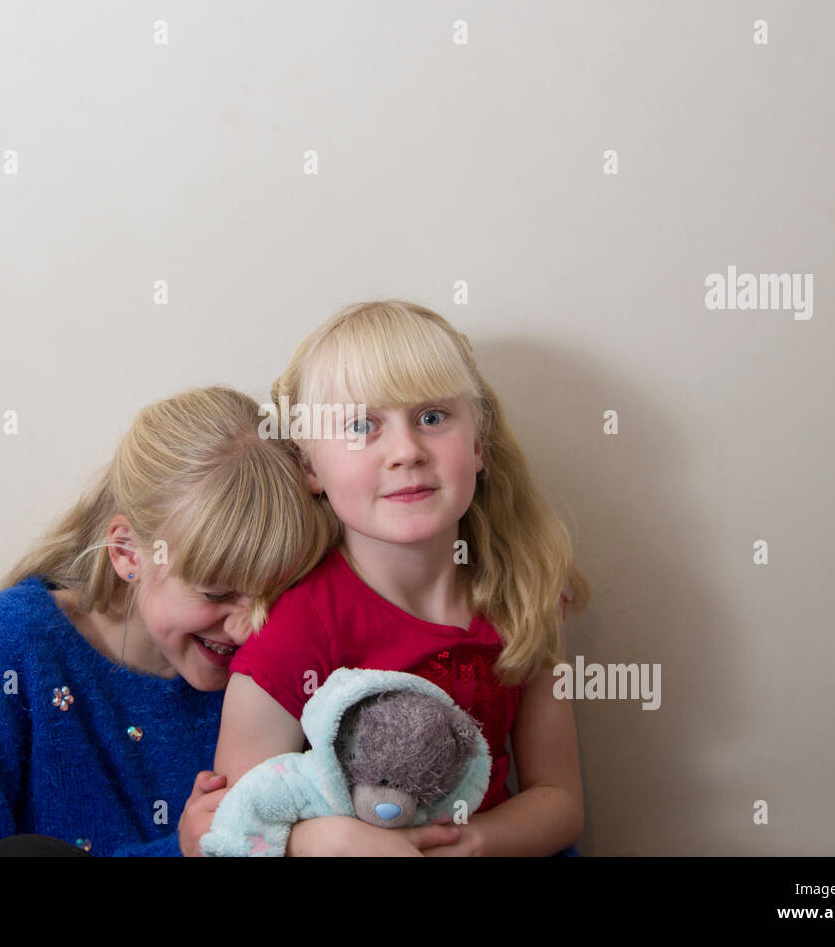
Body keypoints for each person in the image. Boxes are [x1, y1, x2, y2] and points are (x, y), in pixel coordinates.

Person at [197, 300, 591, 856]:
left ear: (478, 443)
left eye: (431, 417)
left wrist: (473, 843)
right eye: (362, 426)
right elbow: (241, 825)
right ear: (311, 467)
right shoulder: (295, 628)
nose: (406, 451)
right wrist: (329, 842)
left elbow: (559, 798)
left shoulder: (523, 596)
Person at [0, 385, 340, 856]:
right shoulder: (7, 645)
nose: (248, 628)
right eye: (217, 592)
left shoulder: (291, 658)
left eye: (275, 594)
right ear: (127, 552)